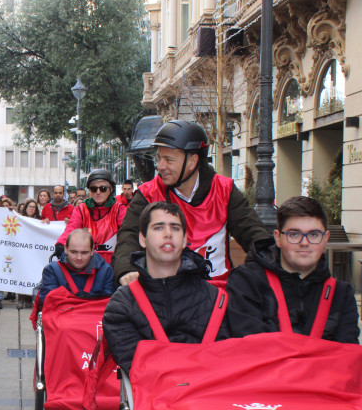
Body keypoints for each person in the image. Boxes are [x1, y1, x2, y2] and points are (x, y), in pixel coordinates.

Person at [114, 120, 268, 286]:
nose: (160, 166)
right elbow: (129, 235)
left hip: (217, 293)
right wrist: (127, 269)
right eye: (159, 158)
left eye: (168, 159)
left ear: (192, 161)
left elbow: (253, 233)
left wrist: (266, 261)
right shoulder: (147, 193)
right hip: (166, 292)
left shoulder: (225, 189)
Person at [103, 202, 227, 375]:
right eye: (158, 227)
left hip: (207, 397)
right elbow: (140, 369)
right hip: (153, 399)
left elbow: (225, 363)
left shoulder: (216, 301)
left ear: (184, 240)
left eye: (175, 228)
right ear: (142, 239)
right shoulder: (121, 305)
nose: (168, 234)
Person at [225, 196, 359, 343]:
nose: (304, 243)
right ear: (278, 238)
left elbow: (347, 357)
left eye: (314, 234)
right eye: (294, 234)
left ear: (326, 238)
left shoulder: (341, 294)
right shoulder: (247, 282)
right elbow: (248, 349)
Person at [56, 169, 123, 265]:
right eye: (94, 189)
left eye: (103, 188)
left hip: (113, 263)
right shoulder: (81, 209)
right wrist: (61, 244)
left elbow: (127, 233)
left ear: (111, 189)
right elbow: (71, 228)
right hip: (86, 263)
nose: (98, 192)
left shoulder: (119, 209)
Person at [35, 228, 115, 309]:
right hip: (63, 318)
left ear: (92, 250)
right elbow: (49, 302)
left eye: (84, 253)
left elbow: (109, 304)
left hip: (94, 318)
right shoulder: (52, 270)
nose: (79, 258)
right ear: (66, 248)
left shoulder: (106, 271)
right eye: (73, 252)